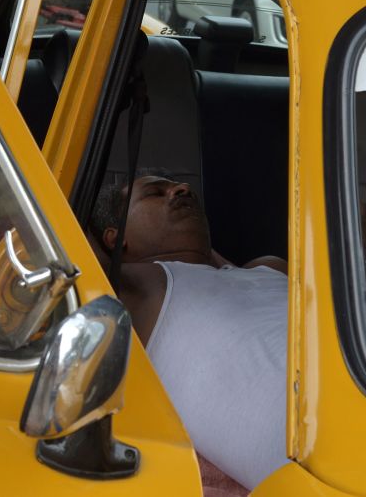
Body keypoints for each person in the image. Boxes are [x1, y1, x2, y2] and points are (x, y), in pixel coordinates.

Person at [90, 173, 288, 493]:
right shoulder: (136, 291)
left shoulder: (271, 268)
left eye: (180, 188)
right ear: (116, 239)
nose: (182, 189)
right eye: (155, 193)